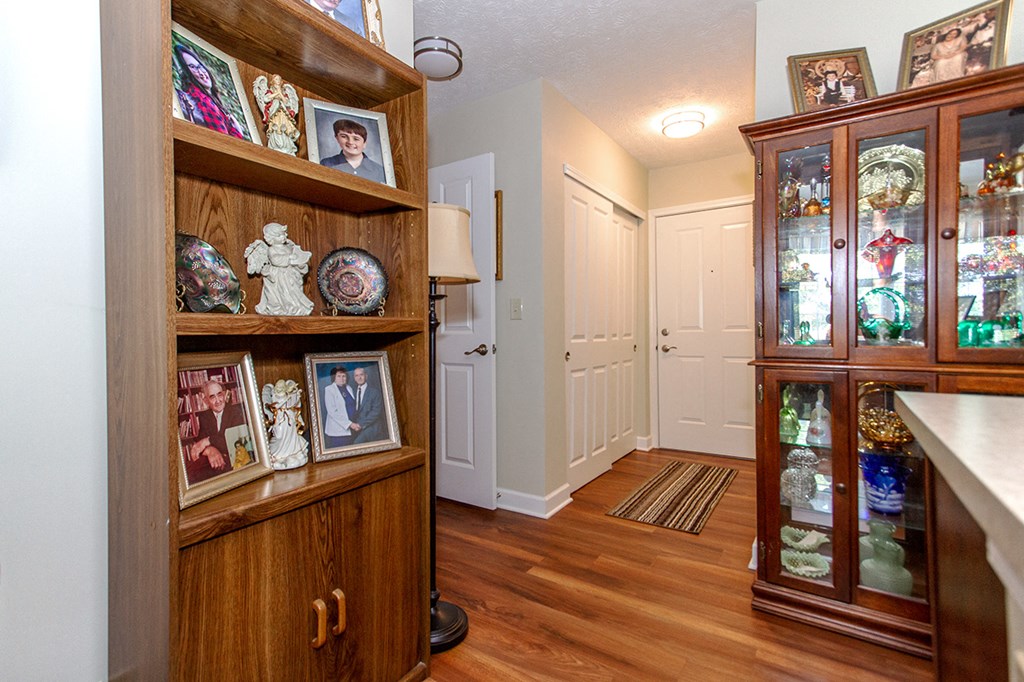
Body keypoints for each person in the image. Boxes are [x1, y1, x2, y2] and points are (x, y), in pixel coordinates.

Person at [174, 43, 246, 140]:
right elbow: (224, 144)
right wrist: (238, 131)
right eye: (192, 67)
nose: (201, 72)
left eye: (200, 66)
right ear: (187, 73)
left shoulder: (209, 99)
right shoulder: (206, 103)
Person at [243, 222, 315, 316]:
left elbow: (295, 258)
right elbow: (275, 260)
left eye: (284, 234)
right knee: (283, 293)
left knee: (293, 292)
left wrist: (300, 264)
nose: (284, 236)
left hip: (290, 275)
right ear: (271, 238)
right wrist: (289, 258)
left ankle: (295, 307)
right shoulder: (272, 249)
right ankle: (282, 308)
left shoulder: (288, 247)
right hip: (279, 277)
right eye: (280, 235)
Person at [186, 380, 247, 484]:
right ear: (205, 401)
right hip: (213, 465)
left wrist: (208, 441)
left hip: (236, 463)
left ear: (224, 394)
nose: (218, 400)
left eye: (220, 394)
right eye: (212, 397)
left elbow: (235, 442)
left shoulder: (237, 412)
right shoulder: (204, 416)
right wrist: (210, 450)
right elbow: (199, 444)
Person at [320, 119, 387, 184]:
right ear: (337, 138)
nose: (350, 142)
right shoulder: (326, 164)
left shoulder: (380, 171)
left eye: (356, 139)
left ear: (364, 143)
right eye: (344, 136)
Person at [323, 366, 357, 448]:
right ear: (334, 377)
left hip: (352, 429)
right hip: (338, 431)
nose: (341, 378)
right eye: (338, 376)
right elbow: (332, 412)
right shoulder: (329, 389)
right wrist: (350, 424)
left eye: (343, 376)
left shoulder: (349, 388)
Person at [351, 366, 387, 443]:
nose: (359, 377)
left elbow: (375, 412)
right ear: (354, 378)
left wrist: (360, 424)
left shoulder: (374, 392)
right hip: (356, 430)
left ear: (366, 376)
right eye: (356, 375)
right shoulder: (352, 392)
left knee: (356, 445)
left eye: (361, 375)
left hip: (372, 430)